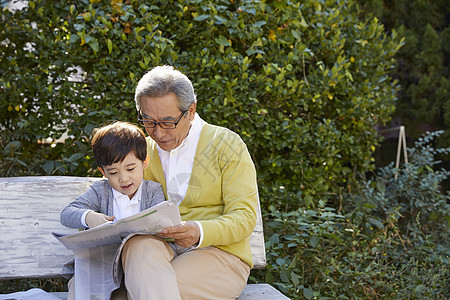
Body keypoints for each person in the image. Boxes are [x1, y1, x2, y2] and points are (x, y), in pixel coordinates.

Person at [118, 65, 259, 299]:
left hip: (220, 253)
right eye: (148, 121)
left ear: (191, 110)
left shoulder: (226, 144)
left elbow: (244, 217)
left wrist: (200, 231)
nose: (159, 133)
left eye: (167, 122)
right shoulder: (141, 151)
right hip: (160, 249)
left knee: (133, 294)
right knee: (137, 248)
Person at [60, 121, 167, 299]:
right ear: (103, 171)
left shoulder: (153, 191)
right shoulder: (100, 191)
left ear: (145, 162)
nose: (124, 178)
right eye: (113, 172)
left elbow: (160, 222)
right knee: (80, 290)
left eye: (131, 168)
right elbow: (67, 213)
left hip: (135, 271)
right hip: (99, 270)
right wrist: (89, 218)